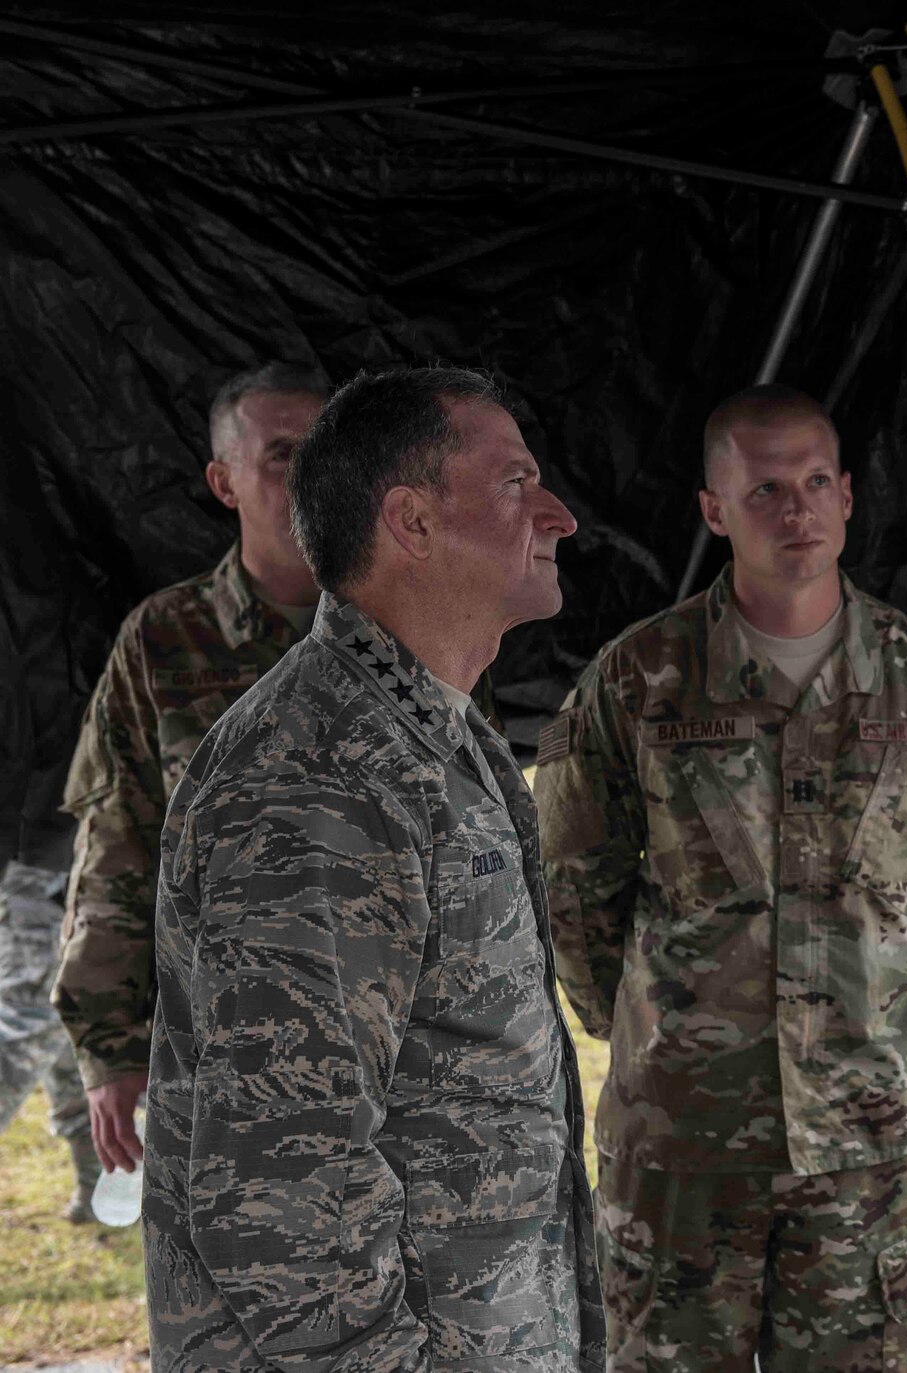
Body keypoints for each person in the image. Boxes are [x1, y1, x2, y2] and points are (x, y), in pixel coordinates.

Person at [144, 367, 604, 1368]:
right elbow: (281, 1189)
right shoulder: (319, 775)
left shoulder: (427, 733)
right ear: (412, 521)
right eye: (516, 483)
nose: (559, 516)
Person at [535, 384, 907, 1372]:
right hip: (686, 1140)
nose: (797, 511)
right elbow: (574, 888)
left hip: (860, 1136)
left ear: (850, 495)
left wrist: (864, 1009)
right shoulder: (638, 679)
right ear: (713, 509)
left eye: (817, 482)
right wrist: (668, 1031)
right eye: (767, 489)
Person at [54, 361, 327, 1181]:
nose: (314, 474)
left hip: (404, 1067)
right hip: (220, 1068)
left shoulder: (416, 628)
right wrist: (109, 1046)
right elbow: (118, 848)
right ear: (224, 480)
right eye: (283, 454)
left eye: (330, 448)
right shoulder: (164, 643)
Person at [0, 813, 93, 1220]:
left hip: (51, 864)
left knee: (62, 1029)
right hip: (46, 868)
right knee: (30, 1025)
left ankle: (101, 1191)